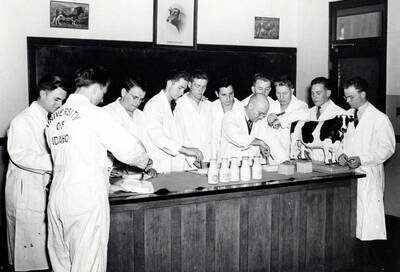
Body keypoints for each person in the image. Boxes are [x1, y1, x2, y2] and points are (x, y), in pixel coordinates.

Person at [45, 65, 153, 272]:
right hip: (85, 198)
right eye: (103, 92)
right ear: (95, 88)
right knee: (88, 265)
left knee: (62, 264)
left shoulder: (55, 117)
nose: (103, 99)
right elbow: (129, 149)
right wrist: (145, 161)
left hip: (58, 196)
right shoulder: (93, 114)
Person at [5, 75, 67, 271]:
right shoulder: (22, 121)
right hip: (27, 193)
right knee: (28, 258)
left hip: (43, 190)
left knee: (44, 255)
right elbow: (20, 155)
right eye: (56, 99)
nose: (60, 104)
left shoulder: (50, 119)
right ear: (43, 93)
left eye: (63, 100)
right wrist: (58, 162)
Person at [337, 77, 395, 269]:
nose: (348, 101)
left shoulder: (379, 118)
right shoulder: (346, 115)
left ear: (363, 94)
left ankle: (371, 264)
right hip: (349, 175)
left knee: (368, 224)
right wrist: (340, 155)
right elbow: (339, 142)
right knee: (351, 223)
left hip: (368, 175)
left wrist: (363, 159)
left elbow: (387, 148)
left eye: (351, 97)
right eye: (346, 97)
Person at [143, 70, 203, 173]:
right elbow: (157, 136)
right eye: (180, 88)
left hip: (173, 167)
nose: (182, 93)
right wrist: (185, 150)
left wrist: (192, 158)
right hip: (158, 167)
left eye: (184, 89)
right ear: (169, 83)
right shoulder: (154, 105)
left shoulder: (174, 106)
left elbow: (179, 136)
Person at [103, 77, 157, 176]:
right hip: (112, 175)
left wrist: (150, 167)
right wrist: (109, 169)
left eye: (141, 99)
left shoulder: (141, 115)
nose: (137, 103)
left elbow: (146, 145)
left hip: (138, 175)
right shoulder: (106, 113)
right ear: (123, 92)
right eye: (135, 97)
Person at [173, 70, 212, 168]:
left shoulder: (208, 105)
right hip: (186, 162)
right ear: (189, 84)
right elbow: (178, 136)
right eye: (197, 86)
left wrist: (207, 160)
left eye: (204, 87)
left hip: (205, 161)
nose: (200, 90)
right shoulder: (179, 105)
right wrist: (193, 160)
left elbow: (210, 135)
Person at [267, 78, 309, 159]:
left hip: (292, 154)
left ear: (292, 91)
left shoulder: (301, 106)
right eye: (278, 93)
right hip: (272, 155)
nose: (281, 97)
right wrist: (268, 122)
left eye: (285, 93)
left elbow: (303, 114)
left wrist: (280, 121)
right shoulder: (271, 105)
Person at [220, 94, 271, 160]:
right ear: (250, 106)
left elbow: (265, 138)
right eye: (260, 113)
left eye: (264, 115)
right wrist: (260, 142)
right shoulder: (230, 116)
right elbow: (236, 135)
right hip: (229, 164)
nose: (261, 117)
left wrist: (261, 147)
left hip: (251, 165)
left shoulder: (259, 121)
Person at [307, 77, 346, 161]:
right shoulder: (309, 112)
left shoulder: (340, 114)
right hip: (311, 163)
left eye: (318, 93)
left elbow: (343, 143)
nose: (314, 97)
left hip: (331, 164)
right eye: (312, 93)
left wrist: (339, 156)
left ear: (328, 93)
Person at [209, 77, 243, 161]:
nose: (228, 98)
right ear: (217, 94)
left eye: (230, 94)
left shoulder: (242, 108)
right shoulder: (210, 108)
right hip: (215, 157)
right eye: (223, 95)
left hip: (237, 158)